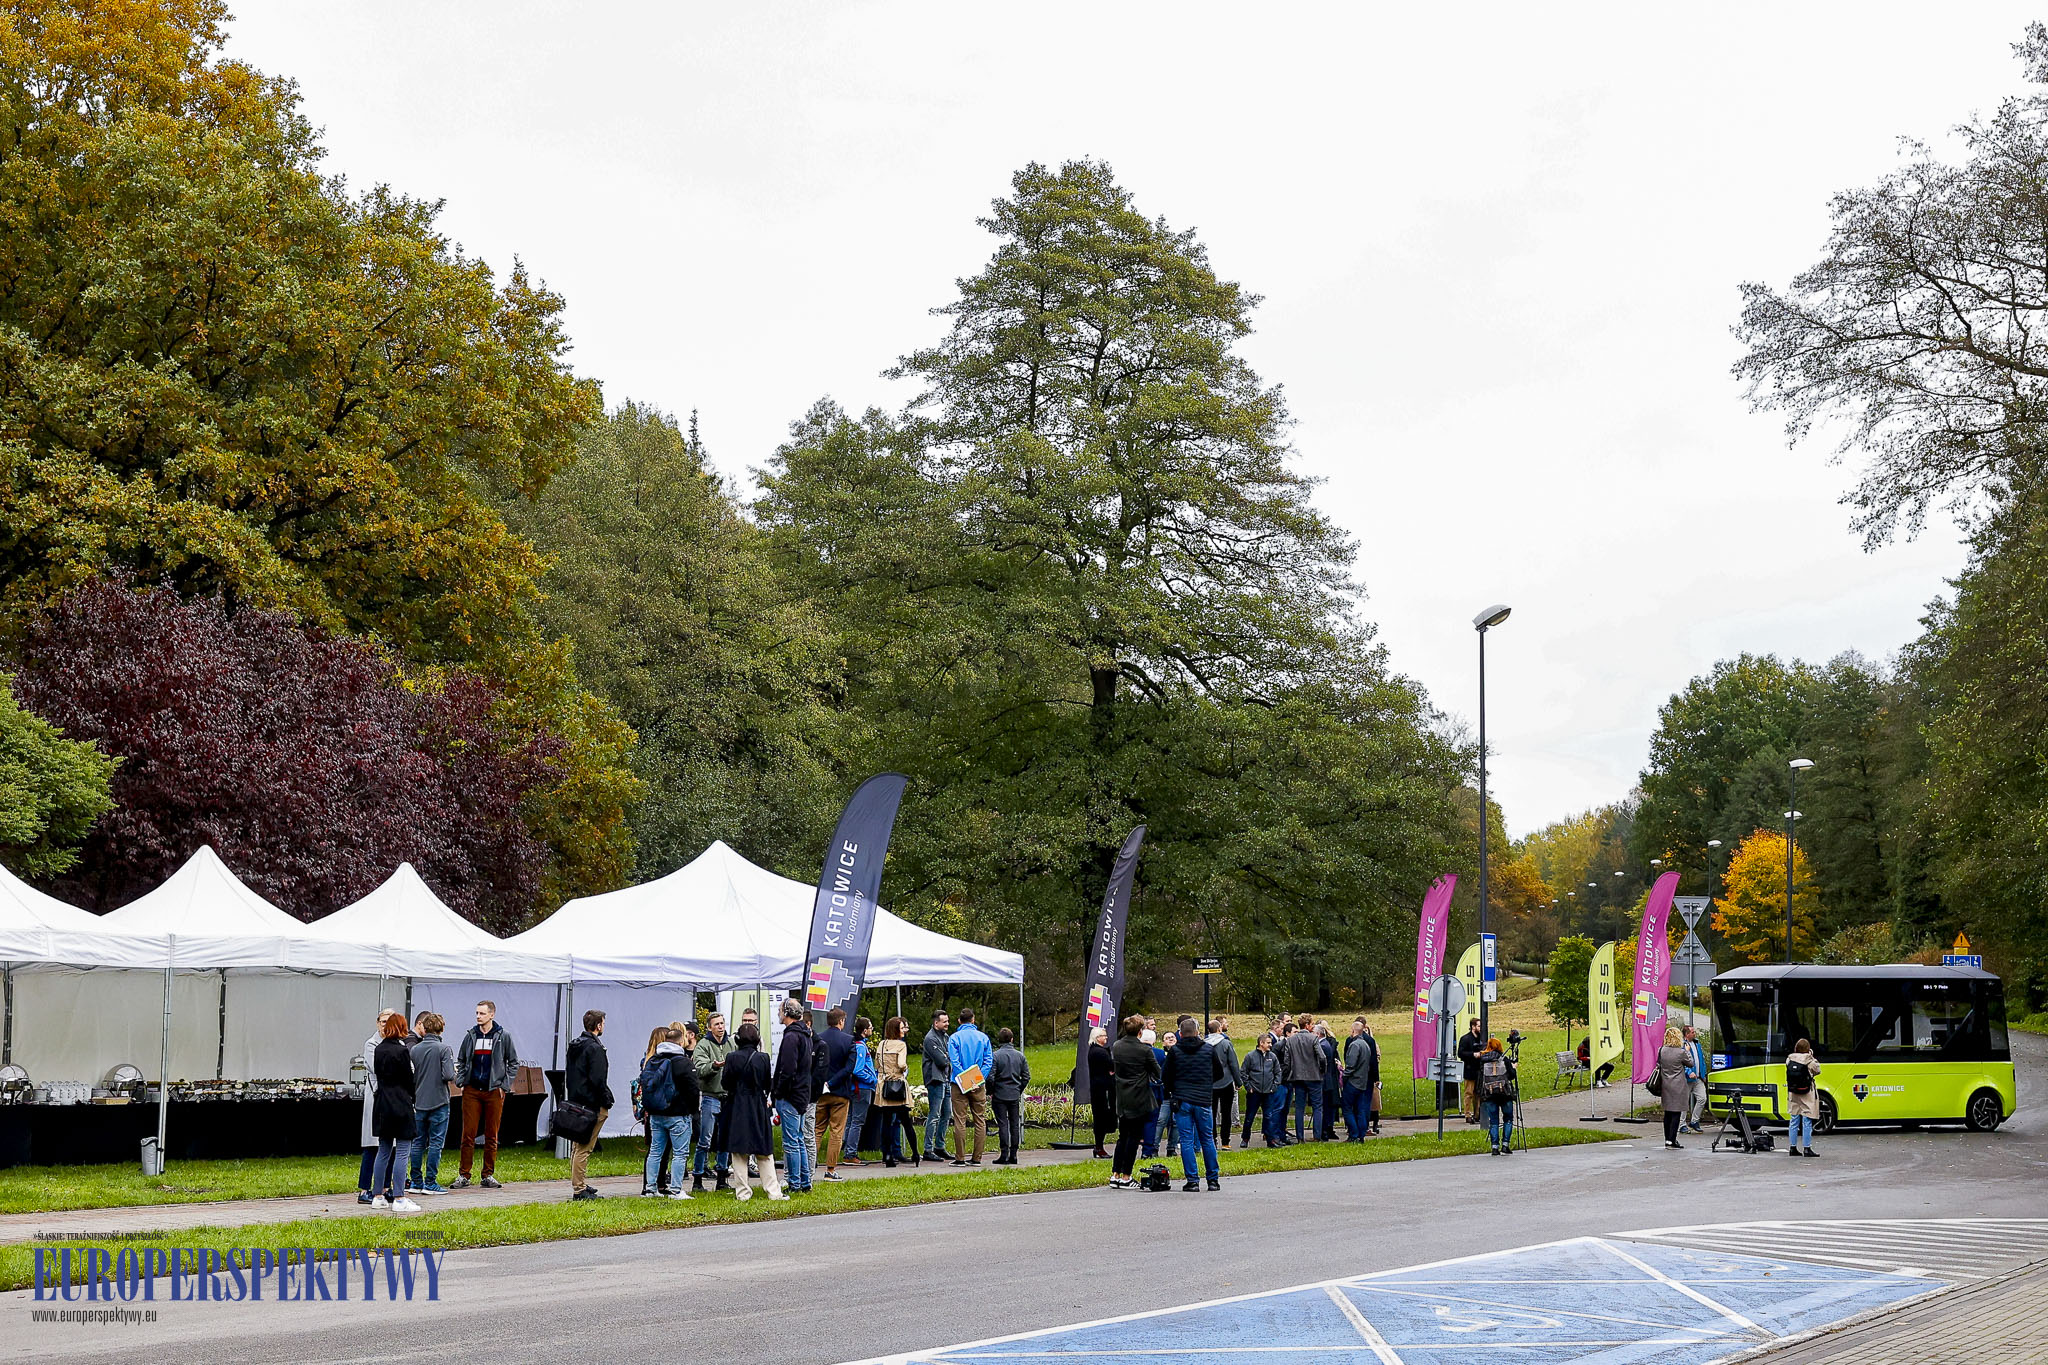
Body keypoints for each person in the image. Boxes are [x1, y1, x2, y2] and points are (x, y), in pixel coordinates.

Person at [453, 1000, 518, 1190]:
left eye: (482, 1013)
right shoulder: (471, 1035)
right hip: (472, 1090)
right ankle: (464, 1175)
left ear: (492, 1015)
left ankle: (488, 1174)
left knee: (492, 1134)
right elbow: (462, 1059)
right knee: (468, 1134)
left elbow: (513, 1062)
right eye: (477, 1013)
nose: (478, 1017)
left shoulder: (503, 1036)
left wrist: (503, 1085)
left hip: (493, 1090)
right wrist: (462, 1082)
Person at [721, 1021, 786, 1200]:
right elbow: (767, 1084)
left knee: (739, 1152)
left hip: (737, 1107)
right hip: (758, 1105)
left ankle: (743, 1192)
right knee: (764, 1151)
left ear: (737, 1039)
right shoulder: (763, 1058)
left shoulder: (732, 1057)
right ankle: (774, 1191)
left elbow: (725, 1083)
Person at [1162, 1017, 1221, 1191]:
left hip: (1182, 1099)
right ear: (1197, 1032)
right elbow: (1218, 1072)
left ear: (1180, 1033)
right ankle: (1213, 1180)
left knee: (1186, 1140)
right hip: (1203, 1099)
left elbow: (1165, 1076)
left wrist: (1175, 1088)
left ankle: (1193, 1180)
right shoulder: (1208, 1050)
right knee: (1207, 1139)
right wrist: (1205, 1083)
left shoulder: (1175, 1051)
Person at [369, 1011, 420, 1211]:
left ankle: (377, 1195)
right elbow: (408, 1079)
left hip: (382, 1103)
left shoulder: (379, 1049)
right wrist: (412, 1098)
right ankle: (399, 1198)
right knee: (402, 1152)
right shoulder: (401, 1051)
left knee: (383, 1151)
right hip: (400, 1104)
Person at [640, 1026, 698, 1199]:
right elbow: (693, 1089)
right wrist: (693, 1111)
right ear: (681, 1042)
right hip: (678, 1115)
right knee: (680, 1154)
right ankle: (676, 1190)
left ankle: (650, 1189)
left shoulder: (653, 1060)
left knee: (655, 1151)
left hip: (656, 1113)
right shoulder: (683, 1062)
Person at [565, 1009, 614, 1200]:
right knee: (585, 1147)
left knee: (577, 1146)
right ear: (599, 1025)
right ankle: (579, 1189)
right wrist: (606, 1100)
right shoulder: (594, 1048)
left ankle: (580, 1182)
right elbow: (598, 1079)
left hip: (577, 1100)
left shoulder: (575, 1045)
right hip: (592, 1104)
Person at [1109, 1015, 1161, 1188]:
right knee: (1133, 1137)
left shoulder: (1116, 1046)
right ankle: (1126, 1176)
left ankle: (1115, 1173)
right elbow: (1157, 1071)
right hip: (1139, 1097)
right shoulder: (1144, 1050)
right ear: (1140, 1032)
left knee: (1122, 1137)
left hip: (1122, 1096)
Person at [772, 998, 817, 1193]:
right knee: (798, 1139)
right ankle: (805, 1181)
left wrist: (779, 1092)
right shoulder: (804, 1034)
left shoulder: (791, 1037)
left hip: (791, 1094)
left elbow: (787, 1069)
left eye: (781, 1010)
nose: (778, 1014)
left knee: (791, 1141)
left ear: (787, 1013)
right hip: (801, 1093)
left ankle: (796, 1183)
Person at [407, 1012, 455, 1195]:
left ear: (424, 1028)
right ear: (441, 1029)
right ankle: (430, 1182)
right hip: (439, 1102)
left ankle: (416, 1182)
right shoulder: (444, 1049)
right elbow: (449, 1075)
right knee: (436, 1143)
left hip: (419, 1101)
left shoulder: (414, 1050)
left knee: (417, 1143)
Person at [358, 1008, 399, 1204]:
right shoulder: (371, 1044)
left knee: (391, 1146)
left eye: (389, 1022)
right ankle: (365, 1189)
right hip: (376, 1097)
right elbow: (378, 1067)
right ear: (377, 1023)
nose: (385, 1025)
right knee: (372, 1146)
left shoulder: (398, 1043)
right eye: (382, 1021)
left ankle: (385, 1187)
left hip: (392, 1099)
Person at [692, 1012, 733, 1193]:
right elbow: (699, 1069)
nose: (720, 1027)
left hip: (728, 1097)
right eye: (716, 1024)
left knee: (724, 1141)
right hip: (710, 1097)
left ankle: (722, 1179)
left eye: (722, 1023)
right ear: (709, 1027)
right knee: (705, 1141)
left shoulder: (732, 1043)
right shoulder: (703, 1045)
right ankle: (698, 1179)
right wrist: (714, 1066)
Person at [948, 1006, 994, 1165]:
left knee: (960, 1120)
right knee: (980, 1119)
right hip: (978, 1083)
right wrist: (978, 1079)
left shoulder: (954, 1038)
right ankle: (977, 1158)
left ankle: (960, 1158)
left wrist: (965, 1080)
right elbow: (988, 1061)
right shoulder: (983, 1038)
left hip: (958, 1084)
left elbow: (954, 1062)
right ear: (973, 1020)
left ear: (959, 1021)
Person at [873, 1016, 919, 1167]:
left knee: (886, 1122)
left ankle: (887, 1155)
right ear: (896, 1030)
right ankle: (915, 1153)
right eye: (901, 1028)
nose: (904, 1030)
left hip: (885, 1085)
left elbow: (877, 1064)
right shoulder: (900, 1045)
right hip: (898, 1085)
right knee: (906, 1121)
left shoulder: (881, 1044)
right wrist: (903, 1068)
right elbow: (901, 1063)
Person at [815, 1006, 855, 1181]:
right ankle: (830, 1170)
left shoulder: (818, 1039)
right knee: (836, 1131)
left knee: (816, 1130)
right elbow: (849, 1068)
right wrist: (832, 1083)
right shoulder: (849, 1041)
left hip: (819, 1093)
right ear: (841, 1021)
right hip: (840, 1093)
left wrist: (822, 1083)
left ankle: (808, 1167)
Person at [988, 1027, 1030, 1164]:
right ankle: (1014, 1154)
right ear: (1012, 1039)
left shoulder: (995, 1056)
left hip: (999, 1094)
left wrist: (991, 1090)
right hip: (1014, 1093)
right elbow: (1026, 1076)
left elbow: (990, 1077)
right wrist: (1019, 1089)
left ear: (999, 1040)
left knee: (1003, 1124)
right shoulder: (1020, 1056)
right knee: (1014, 1124)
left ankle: (1004, 1153)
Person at [1283, 1012, 1326, 1142]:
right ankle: (1317, 1136)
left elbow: (1287, 1061)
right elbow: (1322, 1057)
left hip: (1297, 1077)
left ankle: (1300, 1137)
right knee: (1317, 1106)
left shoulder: (1290, 1040)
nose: (1313, 1026)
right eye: (1312, 1024)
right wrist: (1322, 1071)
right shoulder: (1313, 1039)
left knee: (1299, 1108)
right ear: (1307, 1025)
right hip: (1314, 1076)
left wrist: (1290, 1073)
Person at [1240, 1032, 1282, 1147]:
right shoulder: (1250, 1056)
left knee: (1269, 1116)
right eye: (1268, 1043)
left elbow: (1278, 1072)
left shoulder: (1272, 1057)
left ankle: (1270, 1140)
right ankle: (1245, 1138)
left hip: (1268, 1092)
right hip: (1255, 1092)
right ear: (1261, 1043)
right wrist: (1248, 1087)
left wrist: (1274, 1086)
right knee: (1249, 1117)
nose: (1270, 1045)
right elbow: (1243, 1072)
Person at [1477, 1035, 1518, 1154]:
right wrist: (1514, 1067)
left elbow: (1481, 1077)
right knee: (1508, 1119)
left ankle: (1495, 1147)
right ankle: (1505, 1144)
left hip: (1489, 1094)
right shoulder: (1504, 1059)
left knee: (1493, 1121)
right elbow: (1511, 1076)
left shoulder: (1483, 1061)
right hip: (1505, 1094)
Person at [921, 1010, 954, 1161]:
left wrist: (948, 1057)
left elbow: (950, 1056)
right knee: (934, 1114)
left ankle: (939, 1146)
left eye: (947, 1021)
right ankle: (928, 1149)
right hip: (935, 1079)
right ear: (936, 1023)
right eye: (944, 1021)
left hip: (945, 1078)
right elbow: (942, 1060)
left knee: (946, 1114)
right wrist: (948, 1057)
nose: (947, 1024)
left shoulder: (945, 1037)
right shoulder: (930, 1039)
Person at [846, 1016, 877, 1167]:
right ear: (865, 1030)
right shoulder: (860, 1047)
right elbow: (857, 1069)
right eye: (870, 1027)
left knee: (851, 1120)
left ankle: (847, 1150)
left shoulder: (857, 1044)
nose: (872, 1029)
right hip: (862, 1089)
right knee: (857, 1121)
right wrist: (871, 1079)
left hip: (856, 1088)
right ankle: (850, 1153)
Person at [1784, 1036, 1822, 1158]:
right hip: (1806, 1093)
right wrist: (1811, 1055)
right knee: (1807, 1120)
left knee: (1794, 1120)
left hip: (1793, 1092)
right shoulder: (1809, 1060)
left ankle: (1792, 1147)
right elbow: (1817, 1070)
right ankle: (1807, 1148)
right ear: (1808, 1049)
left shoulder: (1789, 1059)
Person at [1206, 1018, 1240, 1150]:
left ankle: (1212, 1139)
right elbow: (1233, 1063)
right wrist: (1238, 1081)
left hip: (1210, 1082)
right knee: (1226, 1113)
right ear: (1219, 1029)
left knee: (1211, 1113)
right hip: (1226, 1081)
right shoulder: (1226, 1043)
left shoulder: (1205, 1044)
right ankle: (1225, 1141)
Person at [1657, 1025, 1689, 1150]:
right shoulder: (1681, 1052)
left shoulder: (1661, 1050)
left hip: (1665, 1084)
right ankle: (1672, 1139)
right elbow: (1690, 1063)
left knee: (1668, 1113)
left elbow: (1659, 1064)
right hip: (1678, 1085)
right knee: (1676, 1112)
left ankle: (1667, 1139)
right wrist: (1686, 1050)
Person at [1341, 1018, 1373, 1142]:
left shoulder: (1354, 1045)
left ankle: (1353, 1134)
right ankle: (1361, 1134)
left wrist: (1344, 1076)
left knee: (1347, 1108)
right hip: (1362, 1082)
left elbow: (1351, 1065)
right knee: (1360, 1109)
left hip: (1353, 1082)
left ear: (1353, 1031)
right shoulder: (1366, 1045)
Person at [1086, 1027, 1115, 1158]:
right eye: (1103, 1035)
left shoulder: (1094, 1051)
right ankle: (1099, 1146)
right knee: (1101, 1117)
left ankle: (1099, 1146)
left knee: (1101, 1117)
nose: (1106, 1037)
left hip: (1099, 1087)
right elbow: (1112, 1066)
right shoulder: (1099, 1052)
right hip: (1101, 1089)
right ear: (1097, 1038)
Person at [1681, 1025, 1709, 1134]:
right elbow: (1682, 1061)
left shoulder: (1697, 1044)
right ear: (1687, 1034)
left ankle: (1694, 1120)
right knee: (1684, 1102)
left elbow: (1701, 1059)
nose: (1694, 1033)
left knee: (1702, 1098)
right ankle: (1682, 1124)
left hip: (1698, 1077)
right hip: (1687, 1079)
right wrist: (1688, 1072)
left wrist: (1704, 1073)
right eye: (1692, 1032)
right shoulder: (1682, 1045)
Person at [1457, 1017, 1485, 1123]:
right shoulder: (1465, 1039)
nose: (1480, 1028)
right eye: (1478, 1026)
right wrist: (1473, 1055)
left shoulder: (1481, 1039)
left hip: (1479, 1070)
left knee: (1478, 1093)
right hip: (1469, 1069)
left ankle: (1477, 1114)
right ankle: (1467, 1114)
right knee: (1469, 1093)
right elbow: (1460, 1054)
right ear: (1473, 1027)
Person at [1317, 1024, 1341, 1140]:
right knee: (1327, 1106)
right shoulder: (1327, 1044)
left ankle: (1324, 1132)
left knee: (1324, 1106)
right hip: (1329, 1079)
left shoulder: (1323, 1046)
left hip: (1325, 1080)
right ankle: (1325, 1130)